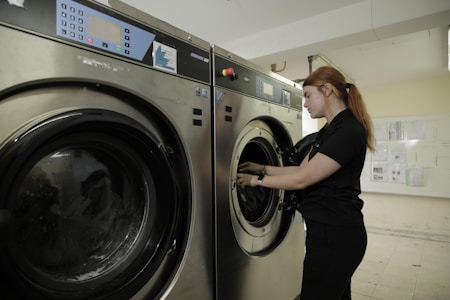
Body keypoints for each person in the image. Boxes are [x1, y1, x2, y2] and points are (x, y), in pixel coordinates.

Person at [236, 65, 375, 300]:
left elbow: (302, 180)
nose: (305, 103)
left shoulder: (348, 131)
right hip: (327, 232)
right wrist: (262, 167)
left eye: (308, 95)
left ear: (327, 90)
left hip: (337, 236)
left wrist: (256, 180)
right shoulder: (330, 130)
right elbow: (301, 169)